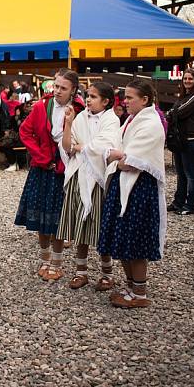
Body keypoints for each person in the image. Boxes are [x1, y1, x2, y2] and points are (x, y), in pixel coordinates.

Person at [99, 79, 167, 308]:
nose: (125, 101)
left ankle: (139, 293)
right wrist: (116, 156)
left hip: (139, 190)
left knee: (135, 239)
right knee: (124, 237)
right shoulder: (130, 120)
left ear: (145, 99)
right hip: (124, 185)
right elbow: (111, 148)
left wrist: (117, 159)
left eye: (130, 97)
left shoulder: (151, 124)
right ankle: (130, 286)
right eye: (125, 97)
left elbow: (130, 161)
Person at [14, 70, 83, 281]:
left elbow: (84, 140)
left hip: (66, 168)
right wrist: (42, 156)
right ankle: (44, 260)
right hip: (42, 166)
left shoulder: (80, 109)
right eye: (56, 86)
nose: (57, 91)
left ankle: (57, 262)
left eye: (63, 88)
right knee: (39, 214)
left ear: (73, 90)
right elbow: (25, 131)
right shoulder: (42, 106)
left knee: (58, 218)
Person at [59, 81, 121, 290]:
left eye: (93, 97)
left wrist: (82, 147)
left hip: (99, 178)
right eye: (87, 95)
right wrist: (68, 123)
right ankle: (81, 271)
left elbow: (105, 145)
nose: (88, 99)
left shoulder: (111, 119)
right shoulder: (80, 118)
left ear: (106, 101)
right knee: (80, 224)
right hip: (79, 174)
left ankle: (107, 273)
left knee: (100, 225)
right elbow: (68, 147)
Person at [167, 69, 194, 215]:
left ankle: (190, 205)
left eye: (190, 79)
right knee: (181, 173)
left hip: (191, 139)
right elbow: (175, 111)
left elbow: (179, 112)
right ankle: (179, 202)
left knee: (190, 173)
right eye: (185, 78)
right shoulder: (184, 96)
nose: (187, 81)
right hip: (180, 139)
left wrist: (170, 114)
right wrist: (172, 113)